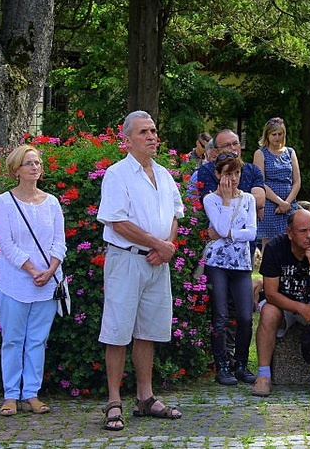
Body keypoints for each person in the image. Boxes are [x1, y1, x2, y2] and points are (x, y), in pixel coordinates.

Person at [97, 111, 184, 430]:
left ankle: (145, 397)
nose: (152, 136)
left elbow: (176, 214)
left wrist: (167, 246)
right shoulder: (117, 175)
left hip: (157, 263)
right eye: (144, 132)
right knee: (118, 331)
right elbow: (117, 221)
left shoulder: (163, 174)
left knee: (148, 330)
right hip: (127, 260)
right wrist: (156, 245)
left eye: (154, 131)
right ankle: (114, 401)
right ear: (127, 139)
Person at [0, 144, 66, 416]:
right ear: (16, 170)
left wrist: (50, 270)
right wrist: (33, 271)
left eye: (37, 163)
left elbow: (60, 242)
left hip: (47, 283)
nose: (35, 167)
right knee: (12, 339)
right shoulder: (4, 202)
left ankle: (31, 393)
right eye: (28, 163)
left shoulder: (53, 203)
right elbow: (6, 245)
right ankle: (10, 394)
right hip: (15, 282)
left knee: (37, 340)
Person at [252, 209, 310, 398]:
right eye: (303, 231)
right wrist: (300, 308)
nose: (309, 236)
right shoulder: (275, 247)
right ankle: (263, 375)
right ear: (290, 233)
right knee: (268, 312)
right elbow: (271, 294)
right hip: (283, 304)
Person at [202, 154, 258, 385]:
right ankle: (222, 365)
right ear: (218, 175)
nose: (233, 179)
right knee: (220, 316)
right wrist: (225, 202)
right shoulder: (210, 200)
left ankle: (241, 364)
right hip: (217, 264)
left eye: (236, 173)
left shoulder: (248, 200)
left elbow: (252, 232)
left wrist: (230, 234)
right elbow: (221, 226)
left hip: (241, 264)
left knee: (245, 316)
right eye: (228, 174)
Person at [253, 118, 301, 247]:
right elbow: (260, 182)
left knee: (291, 240)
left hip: (289, 200)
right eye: (274, 134)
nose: (277, 137)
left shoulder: (290, 152)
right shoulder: (260, 153)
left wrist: (287, 203)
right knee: (269, 244)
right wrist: (280, 202)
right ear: (267, 135)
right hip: (270, 202)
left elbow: (297, 182)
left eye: (280, 134)